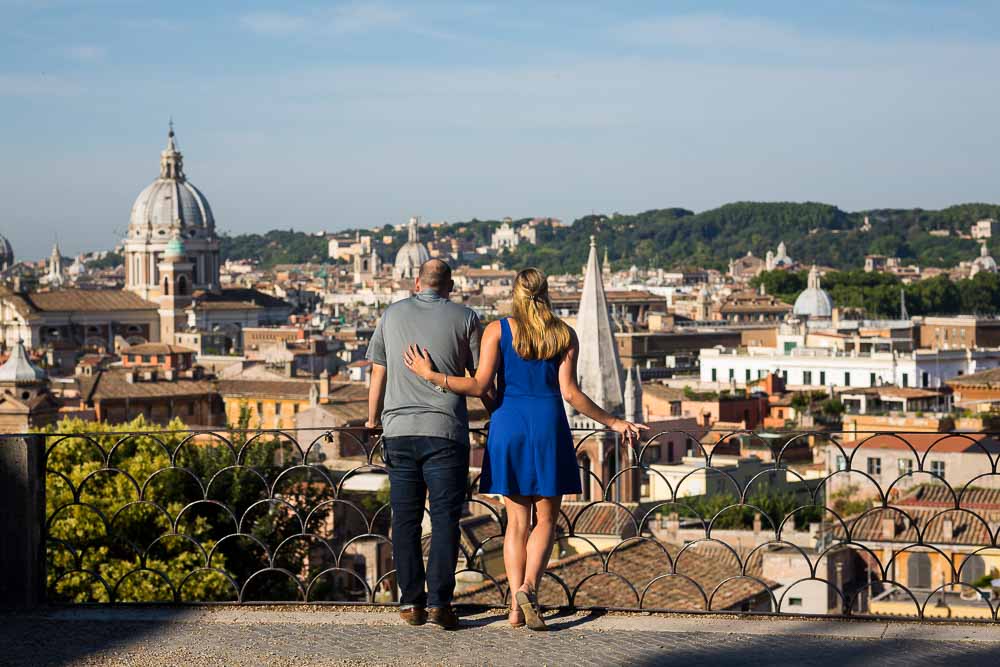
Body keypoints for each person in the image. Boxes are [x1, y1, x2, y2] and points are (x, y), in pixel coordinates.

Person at [403, 267, 647, 630]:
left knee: (516, 523)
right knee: (546, 519)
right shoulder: (564, 335)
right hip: (548, 425)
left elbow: (479, 385)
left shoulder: (497, 331)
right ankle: (529, 589)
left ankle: (516, 610)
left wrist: (432, 376)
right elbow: (571, 393)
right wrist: (614, 422)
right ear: (546, 293)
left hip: (508, 425)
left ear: (515, 295)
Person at [366, 258, 489, 630]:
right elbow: (481, 377)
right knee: (445, 519)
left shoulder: (390, 315)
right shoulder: (466, 318)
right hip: (445, 432)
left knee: (404, 520)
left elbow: (379, 371)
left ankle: (410, 603)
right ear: (449, 286)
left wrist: (373, 421)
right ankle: (440, 602)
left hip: (399, 432)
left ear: (416, 282)